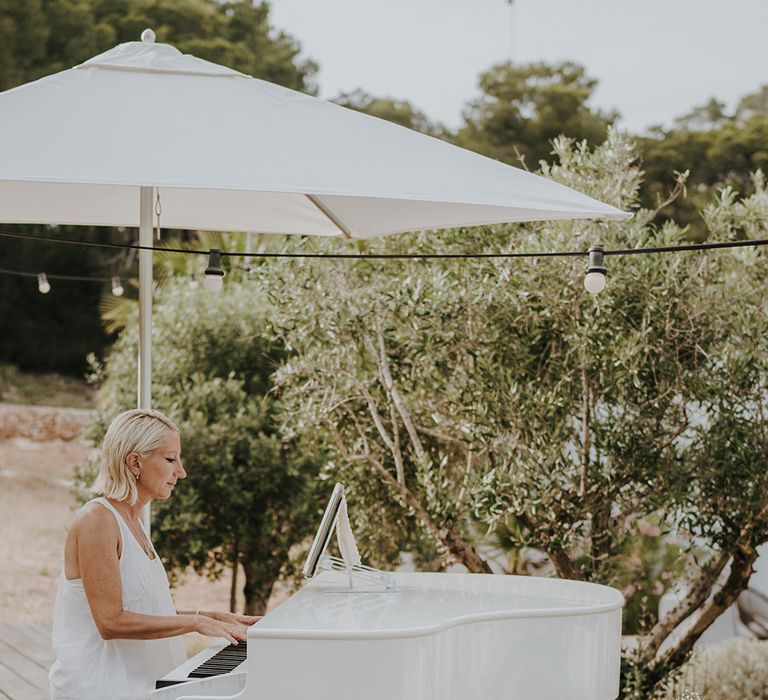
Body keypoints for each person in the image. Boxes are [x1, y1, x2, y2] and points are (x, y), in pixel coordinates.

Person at [49, 408, 259, 700]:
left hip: (141, 688)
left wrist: (210, 615)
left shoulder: (133, 521)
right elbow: (110, 622)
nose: (181, 472)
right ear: (135, 462)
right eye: (171, 459)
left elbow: (142, 608)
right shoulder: (97, 520)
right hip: (102, 690)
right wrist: (195, 623)